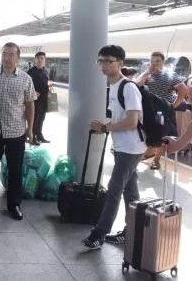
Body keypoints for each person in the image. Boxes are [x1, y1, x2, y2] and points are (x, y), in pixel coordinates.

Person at [82, 45, 145, 250]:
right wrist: (106, 127)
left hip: (131, 148)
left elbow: (132, 121)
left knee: (114, 190)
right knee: (130, 192)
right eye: (100, 61)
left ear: (121, 63)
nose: (104, 65)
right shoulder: (114, 86)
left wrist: (105, 128)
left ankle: (98, 234)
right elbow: (120, 118)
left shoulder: (128, 87)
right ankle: (132, 232)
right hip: (123, 147)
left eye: (109, 61)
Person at [0, 43, 36, 221]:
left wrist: (30, 129)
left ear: (18, 57)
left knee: (15, 169)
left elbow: (30, 105)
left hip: (16, 131)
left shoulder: (26, 79)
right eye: (4, 54)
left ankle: (14, 204)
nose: (7, 58)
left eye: (11, 54)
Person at [135, 51, 187, 169]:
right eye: (152, 61)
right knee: (147, 131)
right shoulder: (147, 73)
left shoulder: (169, 74)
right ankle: (149, 152)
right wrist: (146, 73)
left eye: (158, 61)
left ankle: (156, 160)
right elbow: (136, 86)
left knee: (161, 134)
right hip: (148, 109)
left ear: (163, 62)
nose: (154, 63)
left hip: (162, 110)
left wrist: (174, 104)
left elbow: (183, 88)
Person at [27, 51, 51, 145]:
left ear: (45, 60)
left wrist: (49, 86)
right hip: (35, 101)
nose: (40, 60)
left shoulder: (45, 71)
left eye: (42, 58)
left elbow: (44, 84)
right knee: (34, 119)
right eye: (38, 58)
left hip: (44, 100)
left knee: (41, 119)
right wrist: (33, 92)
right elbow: (26, 86)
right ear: (35, 60)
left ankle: (39, 135)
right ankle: (32, 137)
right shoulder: (31, 72)